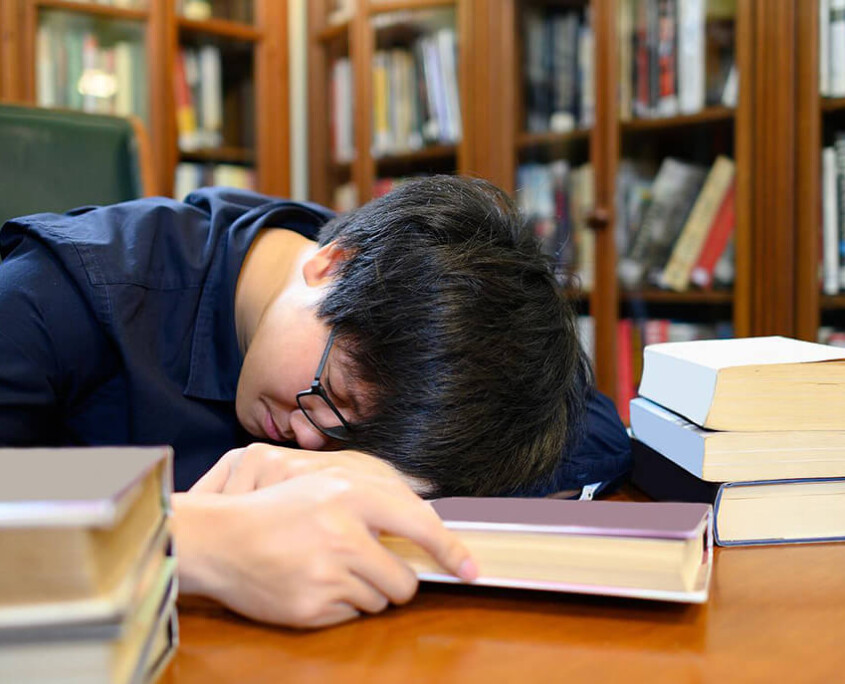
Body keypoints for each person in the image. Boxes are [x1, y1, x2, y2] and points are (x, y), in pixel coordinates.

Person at [0, 175, 630, 627]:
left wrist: (373, 469)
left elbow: (596, 430)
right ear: (328, 265)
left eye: (349, 437)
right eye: (328, 395)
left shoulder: (408, 288)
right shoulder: (51, 298)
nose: (308, 439)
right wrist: (187, 542)